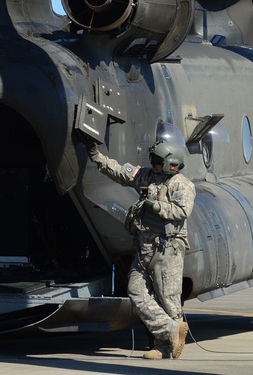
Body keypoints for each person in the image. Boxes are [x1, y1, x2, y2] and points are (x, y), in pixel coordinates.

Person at [84, 136, 195, 359]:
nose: (153, 163)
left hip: (167, 250)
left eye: (157, 160)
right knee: (136, 291)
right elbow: (121, 172)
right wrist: (96, 157)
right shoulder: (145, 176)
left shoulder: (180, 184)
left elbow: (182, 211)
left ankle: (164, 347)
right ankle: (170, 331)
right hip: (144, 248)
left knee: (169, 301)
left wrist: (154, 206)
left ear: (169, 162)